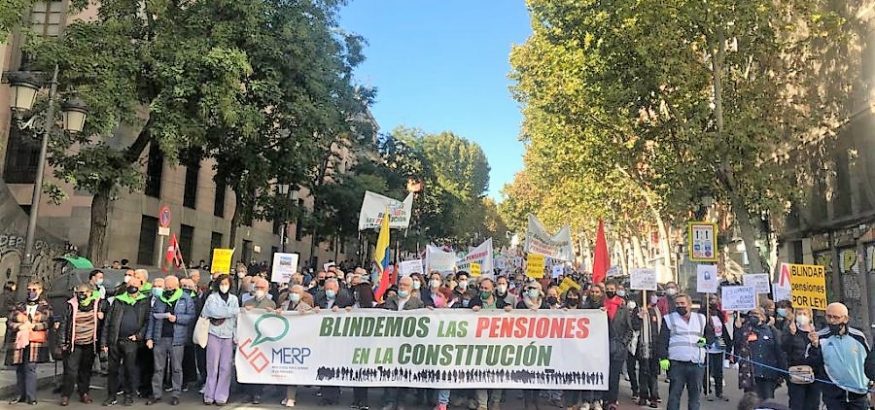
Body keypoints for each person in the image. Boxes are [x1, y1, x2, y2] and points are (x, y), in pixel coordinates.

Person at [811, 302, 872, 410]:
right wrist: (814, 347)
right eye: (829, 316)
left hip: (858, 394)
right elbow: (813, 363)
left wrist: (870, 382)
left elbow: (870, 361)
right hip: (833, 395)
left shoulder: (859, 337)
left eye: (836, 317)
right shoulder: (820, 337)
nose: (832, 321)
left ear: (845, 319)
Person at [145, 276, 195, 406]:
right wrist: (149, 337)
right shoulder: (160, 299)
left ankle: (175, 394)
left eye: (170, 288)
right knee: (158, 368)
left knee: (176, 368)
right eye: (166, 288)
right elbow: (152, 318)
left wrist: (177, 318)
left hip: (176, 339)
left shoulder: (185, 298)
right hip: (160, 337)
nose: (168, 290)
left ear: (177, 286)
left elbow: (191, 317)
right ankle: (156, 394)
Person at [657, 293, 713, 410]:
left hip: (696, 363)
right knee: (674, 396)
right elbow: (662, 340)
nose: (680, 306)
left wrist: (705, 340)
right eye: (677, 304)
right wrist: (663, 358)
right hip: (677, 364)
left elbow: (710, 336)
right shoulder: (669, 319)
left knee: (694, 397)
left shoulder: (701, 319)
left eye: (682, 303)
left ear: (690, 304)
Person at [101, 277, 149, 406]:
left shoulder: (144, 302)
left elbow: (147, 322)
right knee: (113, 370)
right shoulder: (118, 301)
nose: (132, 286)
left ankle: (128, 395)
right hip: (115, 339)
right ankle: (111, 395)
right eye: (130, 284)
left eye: (135, 284)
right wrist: (104, 342)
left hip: (131, 341)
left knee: (129, 369)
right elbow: (108, 322)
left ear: (140, 286)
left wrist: (139, 336)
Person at [380, 276, 425, 410]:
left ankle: (401, 401)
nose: (402, 287)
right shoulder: (390, 300)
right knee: (389, 371)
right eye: (400, 284)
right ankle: (389, 400)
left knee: (404, 372)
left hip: (408, 342)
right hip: (391, 341)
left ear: (411, 288)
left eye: (405, 285)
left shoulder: (417, 303)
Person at [59, 282, 107, 406]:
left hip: (90, 343)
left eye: (85, 292)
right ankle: (66, 395)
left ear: (90, 293)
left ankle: (84, 393)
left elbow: (106, 321)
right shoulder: (71, 305)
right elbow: (64, 323)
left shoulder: (98, 304)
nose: (82, 295)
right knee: (70, 371)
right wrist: (63, 342)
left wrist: (102, 314)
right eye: (80, 292)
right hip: (74, 343)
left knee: (85, 370)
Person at [6, 280, 52, 405]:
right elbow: (9, 322)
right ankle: (19, 395)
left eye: (34, 290)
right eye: (29, 290)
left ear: (40, 290)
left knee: (30, 368)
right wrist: (18, 326)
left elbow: (48, 323)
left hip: (34, 340)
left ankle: (31, 396)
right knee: (19, 368)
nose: (31, 292)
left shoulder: (45, 306)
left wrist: (33, 326)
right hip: (20, 339)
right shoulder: (20, 305)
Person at [471, 278, 512, 410]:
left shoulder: (500, 303)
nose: (484, 291)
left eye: (486, 288)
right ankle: (482, 403)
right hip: (479, 344)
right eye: (482, 288)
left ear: (492, 289)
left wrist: (509, 309)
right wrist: (471, 310)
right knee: (480, 372)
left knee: (498, 373)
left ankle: (495, 401)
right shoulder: (475, 301)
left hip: (497, 344)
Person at [731, 307, 786, 401]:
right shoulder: (745, 330)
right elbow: (738, 344)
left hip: (768, 373)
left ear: (762, 317)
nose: (753, 317)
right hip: (751, 373)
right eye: (751, 315)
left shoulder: (771, 331)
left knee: (767, 401)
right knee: (752, 402)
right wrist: (737, 329)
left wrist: (782, 372)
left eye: (756, 315)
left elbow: (779, 351)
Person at [201, 274, 240, 406]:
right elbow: (211, 312)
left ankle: (221, 395)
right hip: (214, 333)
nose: (224, 286)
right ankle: (209, 394)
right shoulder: (212, 297)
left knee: (226, 367)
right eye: (222, 283)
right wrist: (231, 311)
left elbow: (236, 318)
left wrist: (236, 335)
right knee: (212, 366)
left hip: (228, 335)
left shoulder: (234, 299)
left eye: (226, 283)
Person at [316, 278, 354, 405]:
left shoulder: (345, 299)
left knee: (333, 367)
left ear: (337, 289)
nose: (329, 291)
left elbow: (351, 313)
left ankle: (334, 395)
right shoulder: (320, 299)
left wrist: (344, 311)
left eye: (331, 289)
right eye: (327, 289)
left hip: (337, 339)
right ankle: (325, 395)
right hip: (322, 339)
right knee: (323, 367)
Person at [240, 277, 276, 404]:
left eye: (261, 288)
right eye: (257, 288)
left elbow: (273, 321)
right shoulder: (247, 302)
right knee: (248, 365)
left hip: (262, 339)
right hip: (248, 338)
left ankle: (257, 394)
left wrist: (271, 313)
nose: (259, 290)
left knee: (259, 366)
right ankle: (248, 393)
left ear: (266, 290)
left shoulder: (270, 304)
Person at [781, 307, 822, 410]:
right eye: (799, 313)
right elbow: (784, 348)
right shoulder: (790, 330)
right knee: (797, 404)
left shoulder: (817, 331)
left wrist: (816, 343)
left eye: (804, 313)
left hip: (814, 374)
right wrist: (791, 335)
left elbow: (821, 354)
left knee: (813, 405)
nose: (802, 316)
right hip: (796, 374)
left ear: (809, 316)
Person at [517, 281, 548, 410]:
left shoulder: (544, 306)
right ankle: (527, 401)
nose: (532, 290)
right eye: (530, 288)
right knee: (527, 371)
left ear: (540, 291)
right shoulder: (521, 304)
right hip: (525, 342)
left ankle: (536, 399)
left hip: (540, 343)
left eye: (535, 288)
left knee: (538, 372)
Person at [281, 285, 313, 407]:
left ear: (301, 294)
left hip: (298, 343)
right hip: (284, 340)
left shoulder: (306, 307)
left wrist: (308, 314)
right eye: (291, 292)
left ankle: (291, 397)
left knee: (293, 370)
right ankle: (286, 395)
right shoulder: (284, 305)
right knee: (285, 370)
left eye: (296, 292)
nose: (293, 294)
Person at [603, 280, 633, 409]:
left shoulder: (623, 308)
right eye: (607, 289)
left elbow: (629, 329)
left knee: (614, 376)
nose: (609, 291)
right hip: (602, 346)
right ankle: (602, 399)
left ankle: (612, 401)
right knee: (604, 374)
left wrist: (623, 344)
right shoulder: (601, 305)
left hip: (618, 347)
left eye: (612, 288)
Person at [631, 292, 661, 408]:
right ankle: (643, 396)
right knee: (644, 371)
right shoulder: (638, 310)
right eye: (652, 295)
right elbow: (634, 326)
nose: (655, 297)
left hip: (655, 345)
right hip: (643, 345)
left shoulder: (656, 310)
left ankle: (654, 396)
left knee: (654, 372)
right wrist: (639, 317)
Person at [580, 284, 606, 410]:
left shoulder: (605, 308)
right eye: (593, 292)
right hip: (587, 345)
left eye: (597, 292)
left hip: (601, 346)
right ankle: (586, 400)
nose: (595, 294)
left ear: (601, 293)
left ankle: (597, 400)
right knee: (586, 372)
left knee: (598, 372)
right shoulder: (584, 307)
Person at [703, 295, 731, 402]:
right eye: (711, 300)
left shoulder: (719, 314)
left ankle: (719, 392)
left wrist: (727, 342)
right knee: (707, 370)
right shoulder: (703, 314)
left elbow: (723, 329)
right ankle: (707, 391)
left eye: (715, 299)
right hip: (708, 346)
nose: (713, 302)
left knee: (718, 371)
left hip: (719, 345)